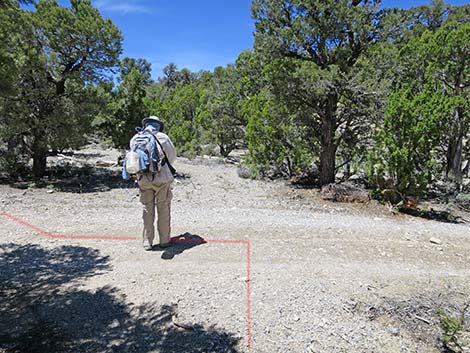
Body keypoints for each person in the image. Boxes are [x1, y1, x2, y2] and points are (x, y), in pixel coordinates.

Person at [137, 116, 177, 251]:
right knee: (163, 209)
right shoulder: (163, 138)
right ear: (158, 125)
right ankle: (164, 241)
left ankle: (147, 241)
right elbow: (172, 158)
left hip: (144, 179)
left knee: (147, 210)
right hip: (162, 179)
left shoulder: (136, 138)